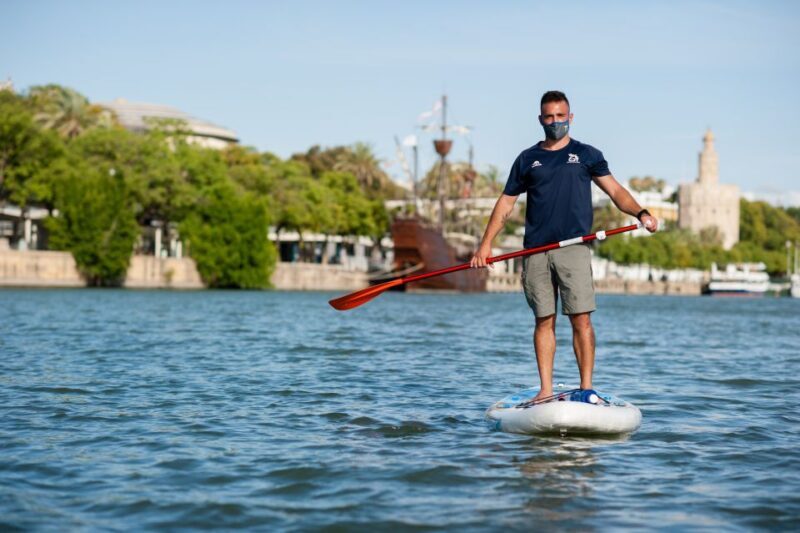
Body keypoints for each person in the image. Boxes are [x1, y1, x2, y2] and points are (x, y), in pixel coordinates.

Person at [470, 90, 658, 402]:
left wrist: (641, 212)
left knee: (581, 319)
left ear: (570, 117)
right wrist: (485, 246)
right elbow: (505, 204)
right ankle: (545, 391)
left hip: (574, 248)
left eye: (561, 116)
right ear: (540, 119)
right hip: (535, 252)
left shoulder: (587, 155)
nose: (555, 122)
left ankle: (587, 389)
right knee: (544, 320)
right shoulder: (527, 159)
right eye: (549, 117)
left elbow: (615, 191)